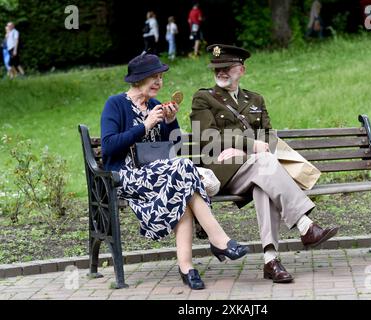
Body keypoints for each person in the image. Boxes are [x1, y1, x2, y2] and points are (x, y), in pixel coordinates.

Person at [190, 44, 339, 283]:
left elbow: (269, 136)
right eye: (217, 68)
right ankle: (305, 224)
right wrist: (250, 145)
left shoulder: (255, 98)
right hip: (224, 173)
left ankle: (271, 260)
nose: (221, 72)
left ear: (242, 70)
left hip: (258, 169)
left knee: (264, 182)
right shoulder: (203, 98)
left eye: (227, 67)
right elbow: (207, 136)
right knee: (265, 163)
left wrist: (241, 147)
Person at [100, 53, 249, 290]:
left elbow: (174, 147)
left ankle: (187, 267)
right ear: (138, 79)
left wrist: (170, 122)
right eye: (154, 77)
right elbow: (108, 147)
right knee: (184, 169)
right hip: (127, 178)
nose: (159, 82)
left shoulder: (154, 106)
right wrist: (145, 125)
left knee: (183, 184)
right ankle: (219, 239)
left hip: (162, 176)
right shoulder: (115, 104)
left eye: (161, 77)